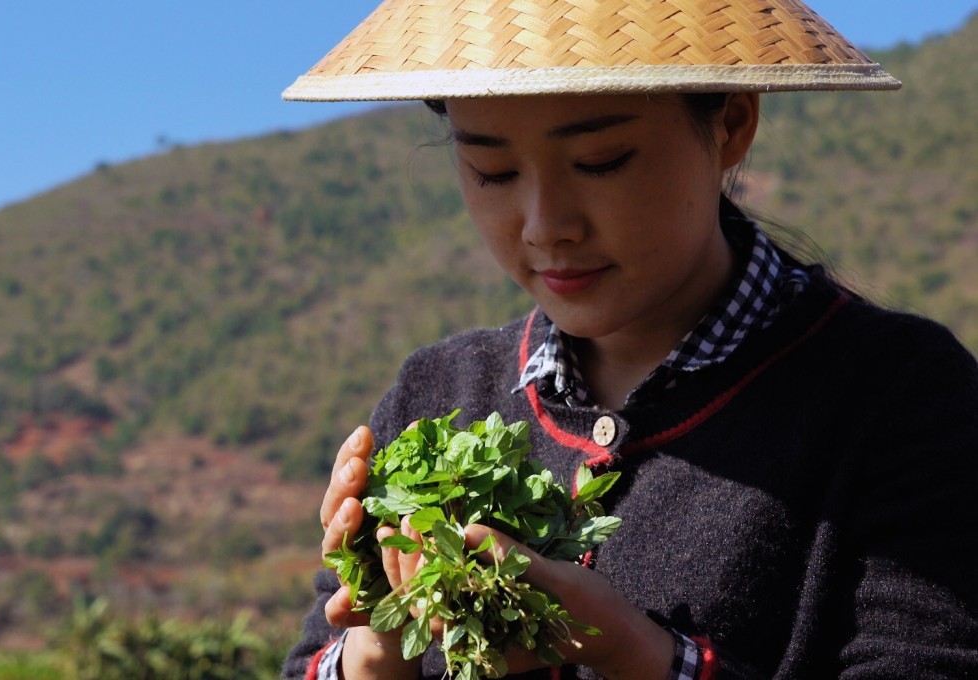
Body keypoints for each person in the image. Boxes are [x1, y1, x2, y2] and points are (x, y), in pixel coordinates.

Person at [279, 2, 978, 678]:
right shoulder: (435, 399)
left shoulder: (900, 397)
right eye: (493, 171)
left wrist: (634, 656)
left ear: (732, 123)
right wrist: (377, 648)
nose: (545, 225)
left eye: (601, 160)